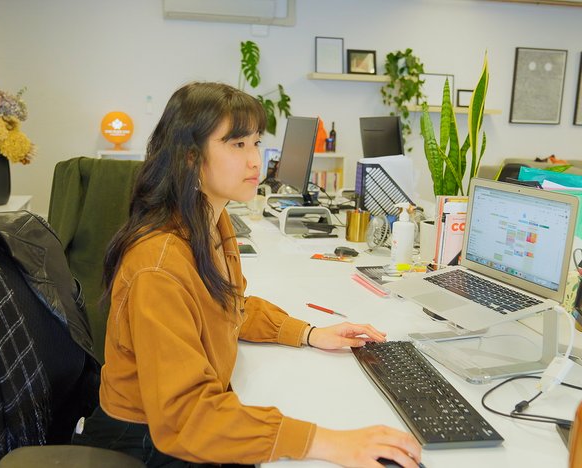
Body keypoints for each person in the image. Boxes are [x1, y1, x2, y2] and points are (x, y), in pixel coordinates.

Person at [72, 81, 422, 468]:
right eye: (237, 144)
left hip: (178, 424)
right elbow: (186, 417)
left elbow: (227, 308)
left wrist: (308, 333)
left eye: (255, 142)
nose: (256, 160)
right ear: (189, 157)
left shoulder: (211, 223)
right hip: (147, 439)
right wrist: (325, 442)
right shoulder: (158, 265)